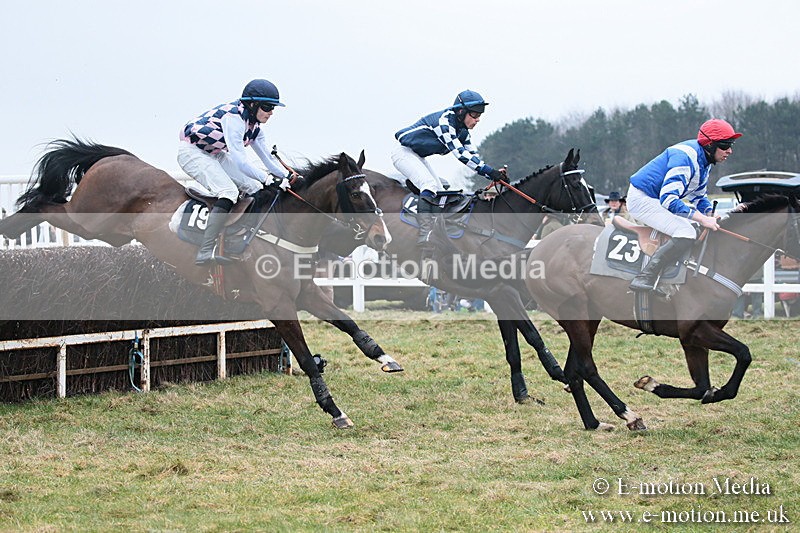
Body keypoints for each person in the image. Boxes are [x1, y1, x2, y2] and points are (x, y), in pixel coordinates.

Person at [178, 79, 299, 265]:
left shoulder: (255, 127)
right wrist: (269, 179)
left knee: (255, 187)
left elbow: (268, 158)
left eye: (273, 107)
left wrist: (287, 176)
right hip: (192, 152)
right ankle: (205, 250)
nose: (271, 112)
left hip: (215, 153)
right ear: (253, 104)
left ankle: (239, 237)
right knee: (228, 192)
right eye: (267, 107)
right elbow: (241, 162)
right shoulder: (234, 119)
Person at [391, 90, 508, 278]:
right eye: (475, 115)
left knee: (438, 191)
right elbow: (460, 155)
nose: (478, 120)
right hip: (404, 154)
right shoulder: (445, 122)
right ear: (461, 112)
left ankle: (434, 232)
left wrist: (493, 174)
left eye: (480, 116)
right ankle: (425, 233)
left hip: (417, 156)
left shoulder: (463, 131)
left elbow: (472, 155)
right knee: (429, 184)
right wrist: (488, 171)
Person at [626, 118, 742, 295]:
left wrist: (710, 214)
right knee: (686, 231)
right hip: (642, 199)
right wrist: (703, 219)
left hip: (655, 198)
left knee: (694, 226)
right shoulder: (685, 157)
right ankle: (646, 276)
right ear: (710, 145)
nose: (730, 151)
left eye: (731, 145)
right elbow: (669, 200)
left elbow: (698, 196)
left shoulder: (704, 161)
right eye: (725, 145)